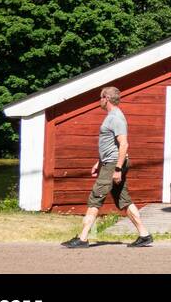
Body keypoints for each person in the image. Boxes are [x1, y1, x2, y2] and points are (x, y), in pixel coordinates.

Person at [62, 86, 152, 248]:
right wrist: (99, 161)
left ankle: (82, 238)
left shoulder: (116, 117)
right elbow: (109, 144)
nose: (99, 101)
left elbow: (123, 144)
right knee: (123, 200)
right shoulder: (111, 116)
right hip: (108, 162)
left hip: (113, 164)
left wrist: (117, 169)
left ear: (106, 98)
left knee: (95, 197)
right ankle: (144, 235)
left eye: (100, 98)